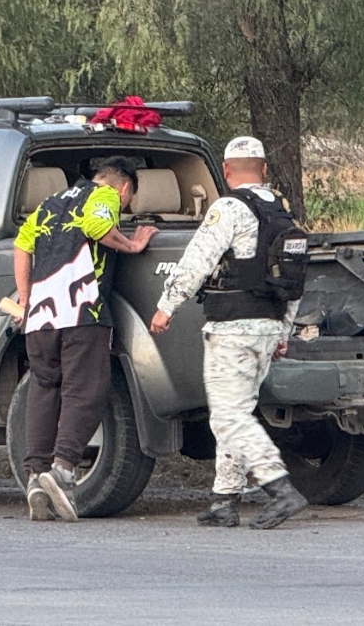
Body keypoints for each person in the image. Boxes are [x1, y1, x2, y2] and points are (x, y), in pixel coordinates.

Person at [148, 136, 309, 529]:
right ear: (265, 170)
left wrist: (166, 306)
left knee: (229, 415)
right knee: (238, 411)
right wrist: (283, 332)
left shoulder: (229, 209)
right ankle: (225, 498)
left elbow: (197, 259)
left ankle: (279, 486)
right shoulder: (283, 213)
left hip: (233, 328)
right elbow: (294, 281)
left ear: (225, 171)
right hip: (268, 327)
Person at [14, 157, 158, 521]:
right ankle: (62, 471)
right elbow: (96, 226)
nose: (122, 209)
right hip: (83, 313)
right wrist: (131, 245)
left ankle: (35, 475)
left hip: (41, 317)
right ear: (123, 188)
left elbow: (21, 244)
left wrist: (25, 296)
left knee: (45, 387)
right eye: (126, 204)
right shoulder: (104, 195)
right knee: (86, 390)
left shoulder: (51, 203)